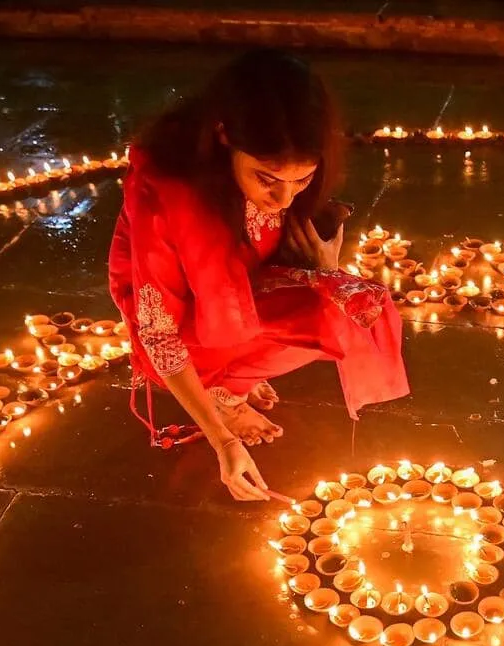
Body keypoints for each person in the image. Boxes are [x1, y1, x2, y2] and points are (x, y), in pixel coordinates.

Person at [108, 50, 409, 501]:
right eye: (267, 179)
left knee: (345, 305)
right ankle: (218, 396)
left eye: (301, 181)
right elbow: (159, 335)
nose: (284, 200)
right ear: (224, 135)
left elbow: (292, 256)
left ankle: (230, 385)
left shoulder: (284, 180)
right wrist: (223, 442)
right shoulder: (168, 196)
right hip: (180, 321)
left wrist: (326, 270)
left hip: (241, 296)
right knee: (324, 302)